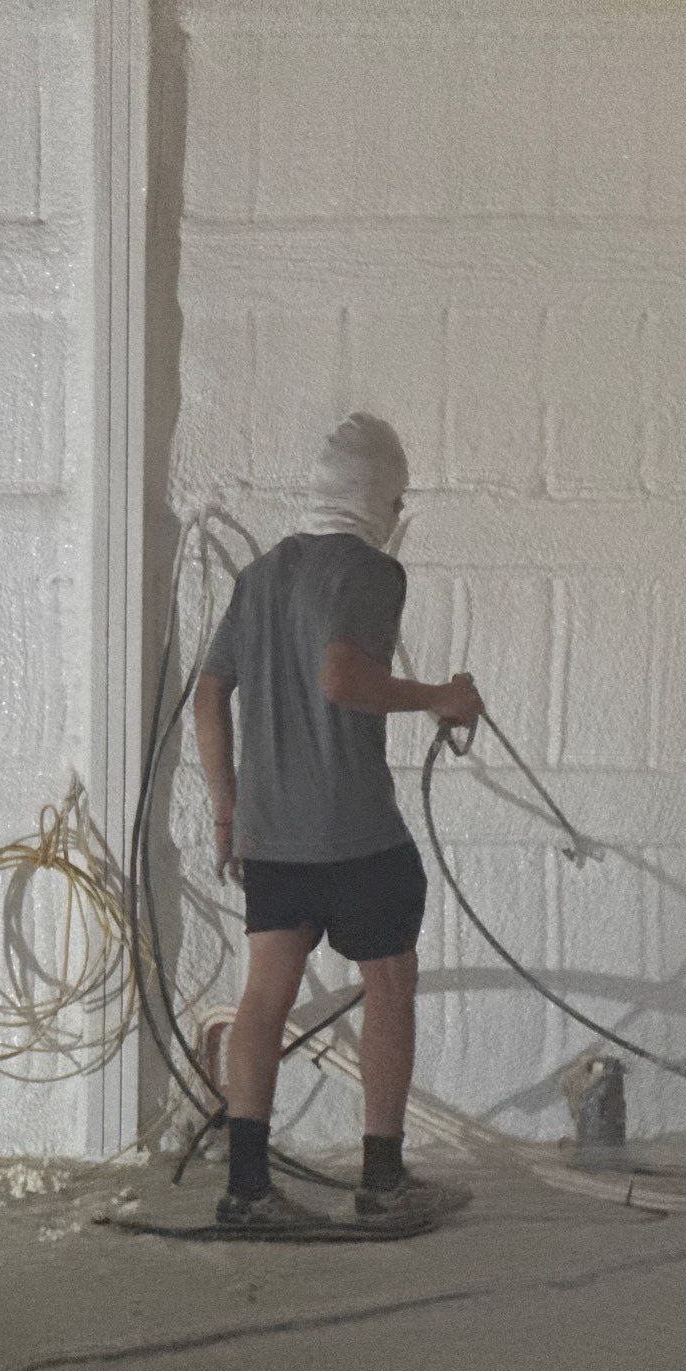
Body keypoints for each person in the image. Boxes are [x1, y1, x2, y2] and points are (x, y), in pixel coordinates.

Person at [191, 412, 485, 1227]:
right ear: (384, 498)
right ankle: (383, 1182)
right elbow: (342, 678)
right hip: (353, 831)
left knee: (263, 999)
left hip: (272, 833)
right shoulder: (371, 573)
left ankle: (248, 1190)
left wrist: (227, 806)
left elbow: (210, 693)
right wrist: (441, 700)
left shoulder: (260, 577)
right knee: (390, 982)